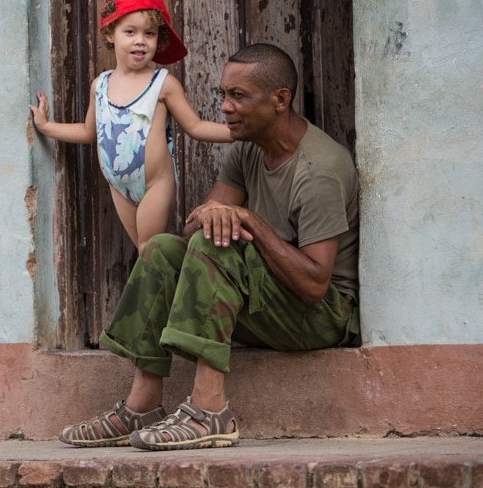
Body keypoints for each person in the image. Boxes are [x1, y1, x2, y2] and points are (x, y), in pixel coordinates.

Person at [58, 43, 360, 451]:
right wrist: (215, 213)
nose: (224, 108)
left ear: (279, 100)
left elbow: (314, 287)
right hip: (267, 302)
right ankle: (141, 406)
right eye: (223, 94)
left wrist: (247, 219)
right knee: (164, 248)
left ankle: (209, 411)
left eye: (238, 96)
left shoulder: (319, 171)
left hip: (319, 317)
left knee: (219, 243)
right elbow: (198, 224)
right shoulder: (247, 145)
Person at [29, 0, 231, 253]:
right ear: (111, 34)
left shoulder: (163, 84)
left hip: (155, 183)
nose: (140, 41)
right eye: (130, 32)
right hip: (118, 185)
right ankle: (160, 293)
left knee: (151, 248)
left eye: (149, 33)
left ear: (159, 41)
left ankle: (168, 293)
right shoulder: (100, 85)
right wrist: (45, 126)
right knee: (143, 250)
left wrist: (241, 133)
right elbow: (89, 131)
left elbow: (195, 126)